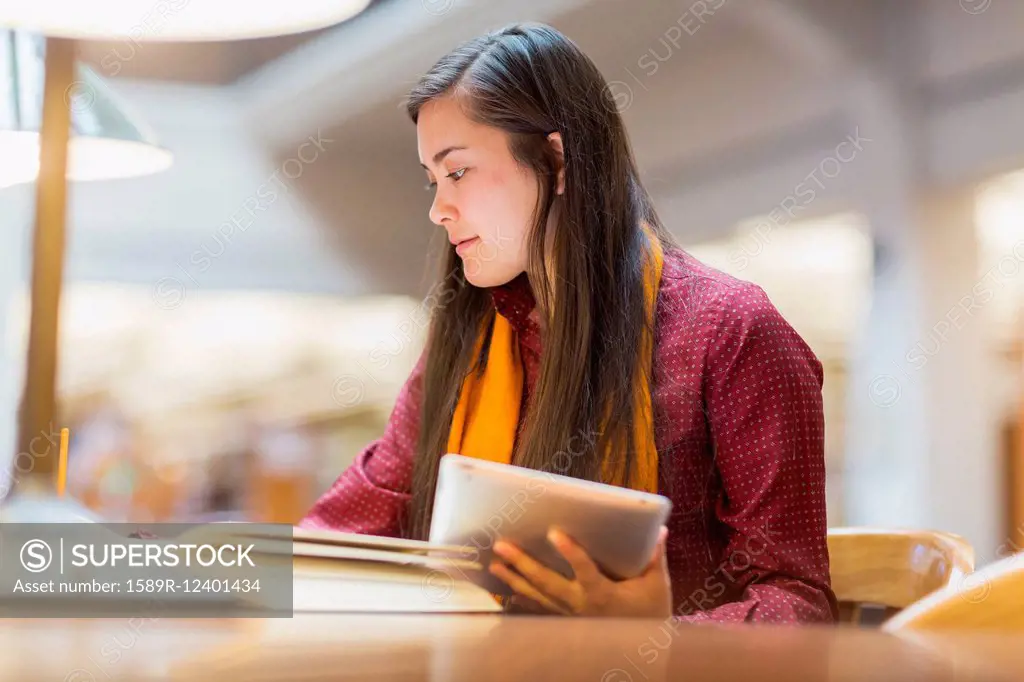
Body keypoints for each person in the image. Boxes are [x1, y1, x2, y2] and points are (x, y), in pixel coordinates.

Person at [302, 23, 838, 624]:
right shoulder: (469, 339)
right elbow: (346, 528)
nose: (437, 209)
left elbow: (799, 603)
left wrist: (657, 638)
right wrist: (197, 578)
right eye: (432, 180)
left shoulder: (731, 331)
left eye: (457, 173)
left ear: (556, 160)